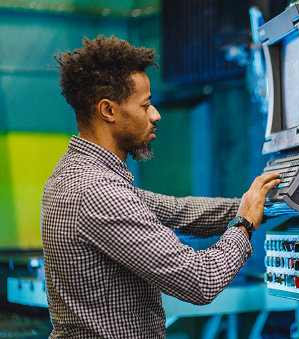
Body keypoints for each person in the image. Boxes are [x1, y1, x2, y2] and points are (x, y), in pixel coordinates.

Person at [41, 35, 280, 338]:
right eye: (146, 105)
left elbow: (180, 212)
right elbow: (201, 280)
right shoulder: (100, 192)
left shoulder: (75, 175)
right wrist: (244, 224)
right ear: (108, 110)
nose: (155, 115)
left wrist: (261, 204)